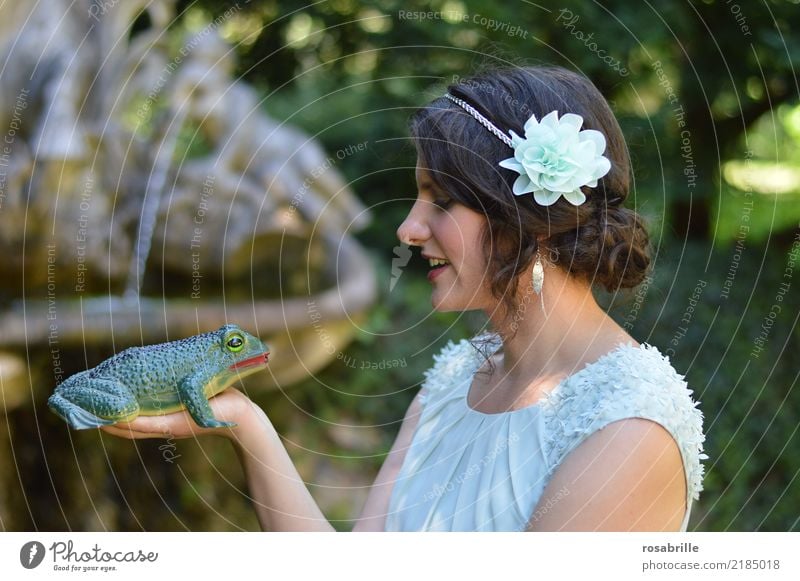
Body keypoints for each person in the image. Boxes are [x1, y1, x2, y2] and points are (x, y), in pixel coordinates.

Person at [101, 65, 706, 532]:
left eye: (440, 201)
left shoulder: (628, 428)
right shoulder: (454, 380)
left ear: (528, 218)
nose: (409, 229)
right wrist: (243, 421)